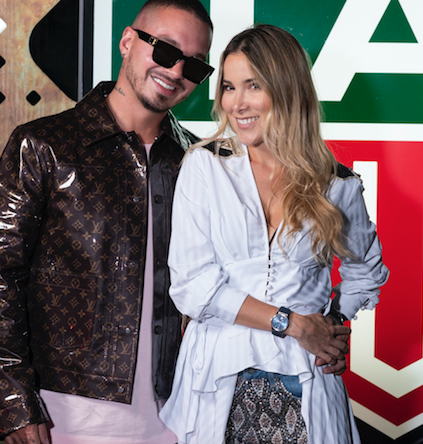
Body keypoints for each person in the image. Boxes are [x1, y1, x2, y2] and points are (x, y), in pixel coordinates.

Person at [0, 0, 214, 444]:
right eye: (165, 50)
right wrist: (14, 401)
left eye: (195, 66)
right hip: (65, 415)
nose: (177, 71)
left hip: (183, 414)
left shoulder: (202, 162)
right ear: (127, 41)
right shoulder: (44, 145)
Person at [159, 24, 390, 444]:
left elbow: (366, 271)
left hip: (307, 384)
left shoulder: (337, 184)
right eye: (229, 87)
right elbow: (192, 286)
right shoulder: (205, 166)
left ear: (287, 89)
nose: (237, 103)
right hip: (217, 383)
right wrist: (294, 324)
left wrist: (332, 326)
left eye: (253, 85)